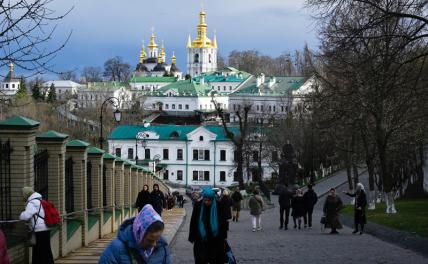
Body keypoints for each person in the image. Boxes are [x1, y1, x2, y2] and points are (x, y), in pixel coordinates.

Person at [99, 204, 172, 264]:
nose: (154, 244)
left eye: (157, 239)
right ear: (139, 234)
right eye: (150, 240)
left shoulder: (162, 247)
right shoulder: (116, 250)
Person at [189, 188, 228, 264]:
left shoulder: (218, 205)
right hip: (201, 238)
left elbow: (223, 221)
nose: (206, 202)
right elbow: (193, 220)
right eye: (205, 200)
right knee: (201, 258)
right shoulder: (198, 205)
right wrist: (192, 236)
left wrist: (224, 236)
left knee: (216, 258)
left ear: (212, 199)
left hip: (215, 238)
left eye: (209, 200)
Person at [19, 187, 54, 264]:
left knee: (38, 251)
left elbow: (25, 216)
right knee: (46, 250)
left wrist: (21, 214)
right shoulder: (40, 201)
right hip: (46, 228)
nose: (21, 196)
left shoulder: (32, 203)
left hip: (39, 230)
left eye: (22, 194)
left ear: (26, 194)